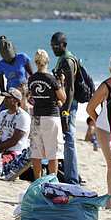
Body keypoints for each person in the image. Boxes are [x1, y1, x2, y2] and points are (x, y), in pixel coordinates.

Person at [86, 52, 111, 211]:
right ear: (110, 70)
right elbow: (90, 108)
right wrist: (99, 122)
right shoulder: (105, 86)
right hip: (104, 130)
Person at [28, 49, 66, 180]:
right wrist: (61, 83)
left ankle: (37, 181)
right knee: (53, 153)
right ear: (48, 62)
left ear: (36, 62)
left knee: (36, 152)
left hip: (37, 116)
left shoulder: (32, 79)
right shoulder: (52, 79)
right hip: (51, 116)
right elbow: (63, 97)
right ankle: (52, 181)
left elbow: (33, 97)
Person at [50, 31, 80, 185]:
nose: (54, 49)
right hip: (63, 104)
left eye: (57, 46)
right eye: (52, 46)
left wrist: (66, 112)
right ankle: (69, 175)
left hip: (69, 105)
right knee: (65, 139)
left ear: (64, 45)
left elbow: (71, 89)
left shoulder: (67, 61)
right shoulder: (61, 59)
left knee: (69, 139)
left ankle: (73, 179)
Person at [0, 36, 34, 141]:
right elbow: (2, 89)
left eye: (11, 58)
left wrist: (28, 91)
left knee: (28, 117)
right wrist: (7, 97)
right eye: (7, 59)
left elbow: (33, 76)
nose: (10, 60)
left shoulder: (23, 58)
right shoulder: (0, 65)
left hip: (24, 93)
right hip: (11, 95)